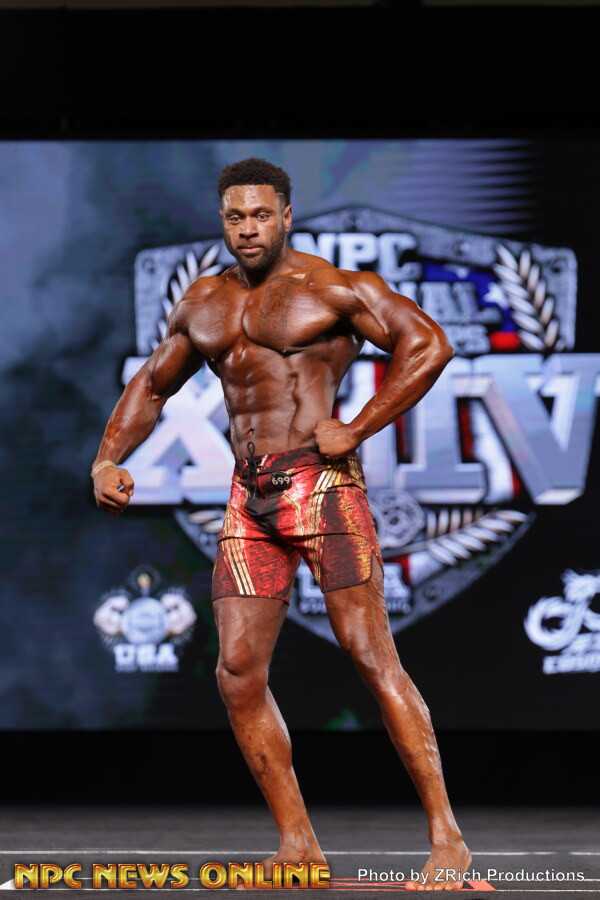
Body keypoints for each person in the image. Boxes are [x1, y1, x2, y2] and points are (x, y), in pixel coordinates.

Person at [92, 157, 471, 890]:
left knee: (370, 655)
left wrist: (357, 425)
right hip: (251, 497)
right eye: (236, 216)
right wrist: (108, 458)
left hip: (322, 487)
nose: (248, 229)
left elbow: (429, 344)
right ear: (223, 220)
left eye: (261, 215)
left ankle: (447, 838)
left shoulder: (332, 288)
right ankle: (298, 844)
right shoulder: (204, 301)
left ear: (286, 216)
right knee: (237, 674)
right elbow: (154, 383)